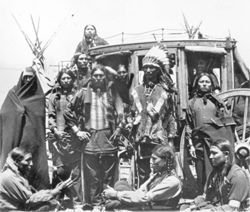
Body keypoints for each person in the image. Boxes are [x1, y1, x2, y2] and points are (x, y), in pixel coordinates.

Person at [64, 64, 123, 206]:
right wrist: (77, 131)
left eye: (100, 76)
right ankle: (96, 204)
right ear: (91, 77)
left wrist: (120, 128)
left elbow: (122, 111)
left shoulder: (112, 92)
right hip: (90, 138)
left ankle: (107, 203)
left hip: (108, 138)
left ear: (105, 77)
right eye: (95, 75)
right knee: (93, 176)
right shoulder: (83, 93)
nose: (98, 78)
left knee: (108, 175)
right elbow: (67, 111)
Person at [130, 45, 177, 185]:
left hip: (158, 136)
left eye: (152, 68)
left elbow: (170, 117)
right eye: (146, 68)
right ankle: (144, 196)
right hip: (141, 138)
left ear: (158, 70)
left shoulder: (165, 91)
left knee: (161, 167)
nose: (149, 71)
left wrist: (171, 140)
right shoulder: (137, 91)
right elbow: (133, 114)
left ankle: (159, 196)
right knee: (143, 168)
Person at [0, 66, 49, 190]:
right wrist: (18, 111)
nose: (27, 79)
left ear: (34, 79)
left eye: (30, 77)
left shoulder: (39, 96)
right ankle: (15, 193)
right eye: (25, 77)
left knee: (33, 165)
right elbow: (4, 113)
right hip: (18, 137)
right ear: (21, 77)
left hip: (34, 141)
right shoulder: (13, 93)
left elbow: (39, 119)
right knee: (17, 163)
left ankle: (36, 194)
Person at [186, 72, 235, 195]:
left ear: (212, 84)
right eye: (201, 81)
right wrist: (191, 144)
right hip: (198, 140)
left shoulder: (217, 101)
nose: (204, 84)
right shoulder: (191, 103)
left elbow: (225, 121)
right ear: (197, 83)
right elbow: (189, 125)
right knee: (200, 168)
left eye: (207, 82)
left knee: (215, 167)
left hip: (214, 141)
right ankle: (203, 194)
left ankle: (217, 194)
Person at [103, 144, 182, 210]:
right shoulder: (158, 175)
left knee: (113, 203)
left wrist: (116, 194)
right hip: (147, 205)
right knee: (121, 184)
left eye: (154, 159)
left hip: (157, 209)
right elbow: (140, 191)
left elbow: (145, 198)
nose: (151, 162)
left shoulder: (172, 180)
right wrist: (118, 194)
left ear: (166, 161)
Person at [0, 147, 75, 211]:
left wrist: (53, 191)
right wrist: (54, 192)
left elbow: (30, 197)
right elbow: (30, 200)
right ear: (17, 162)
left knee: (50, 203)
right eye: (27, 160)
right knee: (47, 205)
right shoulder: (10, 177)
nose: (31, 163)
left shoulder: (15, 173)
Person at [48, 68, 82, 205]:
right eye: (63, 78)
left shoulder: (78, 95)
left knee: (75, 170)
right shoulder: (54, 97)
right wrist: (55, 131)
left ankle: (77, 200)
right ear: (59, 80)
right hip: (58, 137)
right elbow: (51, 116)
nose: (66, 80)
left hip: (74, 136)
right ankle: (57, 200)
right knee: (61, 170)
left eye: (69, 78)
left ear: (73, 80)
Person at [185, 139, 250, 211]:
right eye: (210, 153)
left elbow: (233, 208)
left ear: (226, 154)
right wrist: (192, 205)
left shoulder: (237, 176)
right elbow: (207, 197)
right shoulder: (216, 172)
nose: (210, 157)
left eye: (214, 153)